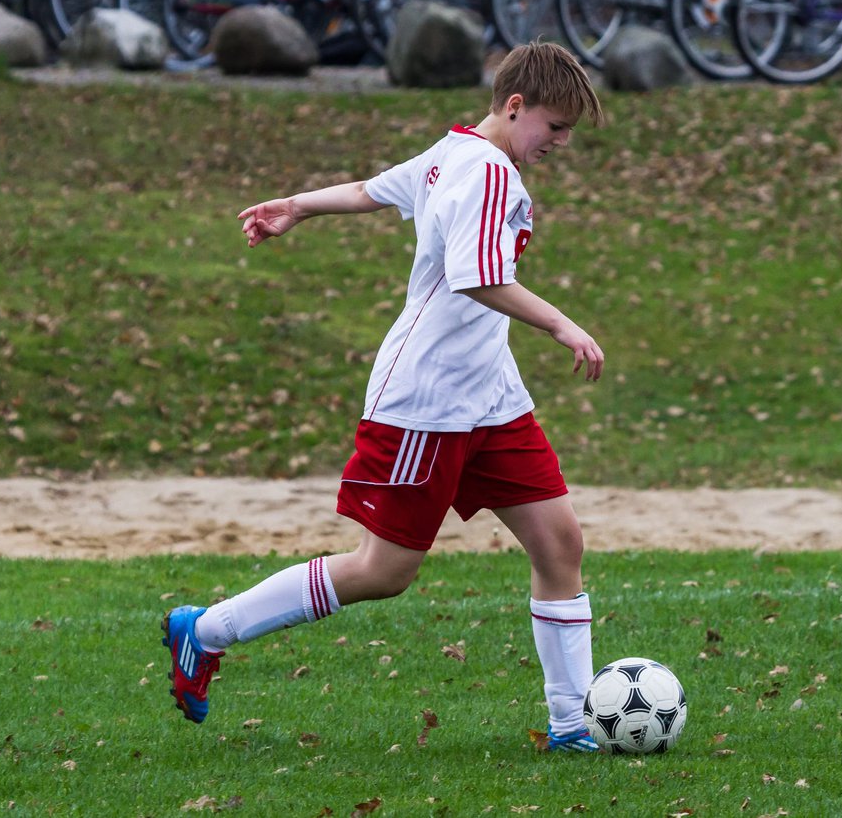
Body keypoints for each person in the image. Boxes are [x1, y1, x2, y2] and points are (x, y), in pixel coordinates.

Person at [161, 42, 608, 753]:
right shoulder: (486, 173)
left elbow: (376, 187)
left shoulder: (458, 151)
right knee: (383, 571)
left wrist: (299, 207)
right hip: (426, 400)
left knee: (559, 543)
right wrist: (561, 323)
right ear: (516, 106)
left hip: (490, 394)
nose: (559, 143)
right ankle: (204, 630)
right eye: (554, 127)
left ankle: (572, 727)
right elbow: (475, 276)